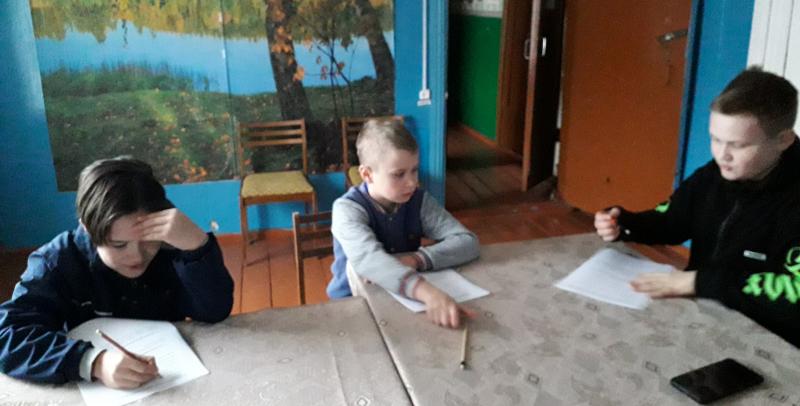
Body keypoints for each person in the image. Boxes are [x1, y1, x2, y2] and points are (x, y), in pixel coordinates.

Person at [594, 67, 800, 346]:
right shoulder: (714, 175)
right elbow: (672, 221)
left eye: (738, 145)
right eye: (715, 139)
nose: (722, 155)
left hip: (773, 340)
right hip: (706, 315)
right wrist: (624, 224)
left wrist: (700, 282)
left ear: (783, 140)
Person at [0, 157, 234, 387]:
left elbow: (214, 312)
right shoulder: (57, 261)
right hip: (94, 385)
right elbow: (7, 336)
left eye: (149, 240)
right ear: (87, 228)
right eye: (119, 245)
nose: (137, 256)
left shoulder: (171, 245)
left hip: (171, 374)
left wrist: (196, 248)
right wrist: (92, 362)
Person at [329, 119, 480, 328]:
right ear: (367, 174)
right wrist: (429, 294)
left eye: (414, 170)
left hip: (405, 302)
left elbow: (467, 241)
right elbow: (369, 261)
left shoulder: (418, 201)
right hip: (353, 304)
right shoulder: (346, 210)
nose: (412, 182)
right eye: (398, 174)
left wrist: (417, 259)